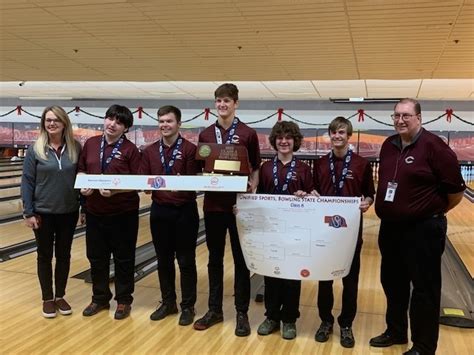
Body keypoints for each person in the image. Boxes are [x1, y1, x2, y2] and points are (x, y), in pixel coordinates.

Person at [370, 98, 465, 355]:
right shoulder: (389, 145)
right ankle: (396, 331)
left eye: (406, 116)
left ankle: (423, 346)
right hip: (391, 229)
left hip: (423, 230)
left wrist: (432, 211)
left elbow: (456, 192)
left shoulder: (435, 147)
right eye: (396, 115)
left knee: (424, 289)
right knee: (393, 283)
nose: (400, 120)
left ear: (419, 118)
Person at [193, 83, 261, 337]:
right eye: (219, 101)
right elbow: (202, 168)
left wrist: (252, 185)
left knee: (241, 260)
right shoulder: (206, 134)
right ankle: (214, 310)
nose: (222, 105)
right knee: (214, 260)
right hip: (213, 206)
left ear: (236, 104)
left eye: (227, 101)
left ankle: (241, 312)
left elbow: (255, 167)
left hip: (238, 207)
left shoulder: (248, 133)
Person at [312, 117, 375, 348]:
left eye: (341, 132)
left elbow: (370, 194)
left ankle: (346, 324)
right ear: (330, 136)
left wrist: (366, 202)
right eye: (333, 132)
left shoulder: (361, 164)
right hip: (324, 232)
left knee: (350, 281)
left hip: (350, 235)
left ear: (349, 136)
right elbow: (314, 191)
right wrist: (312, 195)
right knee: (325, 280)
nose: (337, 136)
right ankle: (326, 321)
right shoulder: (319, 164)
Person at [78, 104, 141, 320]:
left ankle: (123, 301)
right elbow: (82, 169)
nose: (112, 124)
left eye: (119, 122)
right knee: (96, 258)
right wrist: (83, 185)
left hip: (124, 213)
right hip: (96, 213)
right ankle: (100, 299)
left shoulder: (130, 150)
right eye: (110, 118)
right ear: (104, 120)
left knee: (124, 259)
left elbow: (137, 182)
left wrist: (116, 191)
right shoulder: (91, 143)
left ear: (126, 128)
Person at [140, 105, 200, 326]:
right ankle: (168, 303)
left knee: (186, 261)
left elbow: (193, 182)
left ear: (179, 124)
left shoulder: (190, 150)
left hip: (185, 211)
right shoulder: (149, 151)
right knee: (163, 260)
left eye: (169, 121)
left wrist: (181, 185)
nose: (164, 125)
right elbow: (145, 182)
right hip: (160, 211)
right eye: (161, 121)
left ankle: (188, 306)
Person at [255, 121, 314, 340]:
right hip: (271, 231)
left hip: (295, 233)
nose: (284, 141)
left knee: (291, 278)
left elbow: (313, 199)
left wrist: (306, 197)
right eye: (280, 137)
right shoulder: (266, 168)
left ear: (295, 141)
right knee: (271, 276)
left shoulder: (303, 169)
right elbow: (258, 198)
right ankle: (271, 317)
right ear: (274, 141)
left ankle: (289, 319)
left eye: (288, 137)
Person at [21, 105, 81, 318]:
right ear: (43, 123)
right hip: (42, 212)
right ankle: (47, 298)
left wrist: (82, 207)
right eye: (48, 120)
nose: (52, 123)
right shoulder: (35, 149)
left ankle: (60, 296)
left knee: (64, 255)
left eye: (56, 120)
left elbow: (81, 179)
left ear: (64, 122)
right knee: (44, 256)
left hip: (69, 211)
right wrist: (28, 212)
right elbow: (27, 181)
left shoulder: (75, 147)